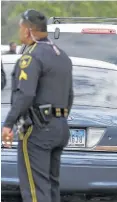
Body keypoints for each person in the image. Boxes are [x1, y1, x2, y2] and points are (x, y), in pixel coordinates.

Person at [1, 9, 74, 202]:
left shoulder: (31, 56)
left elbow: (25, 94)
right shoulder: (62, 56)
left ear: (27, 30)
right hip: (60, 127)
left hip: (38, 130)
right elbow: (70, 95)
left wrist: (8, 124)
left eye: (20, 29)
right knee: (51, 187)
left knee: (35, 190)